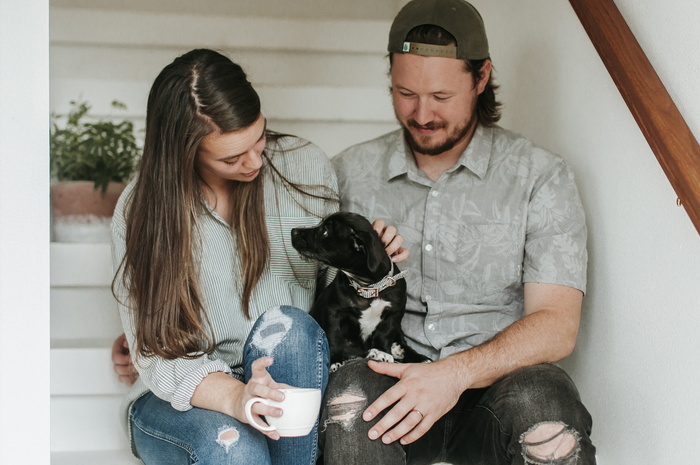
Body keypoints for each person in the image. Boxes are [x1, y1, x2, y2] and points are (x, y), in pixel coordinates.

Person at [321, 1, 595, 464]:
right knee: (348, 396)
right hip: (387, 381)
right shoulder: (349, 174)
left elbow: (557, 326)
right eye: (405, 92)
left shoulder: (539, 176)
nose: (422, 113)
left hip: (498, 390)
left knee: (546, 403)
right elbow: (320, 303)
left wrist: (452, 375)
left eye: (441, 97)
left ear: (481, 77)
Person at [110, 48, 406, 465]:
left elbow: (334, 304)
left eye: (259, 137)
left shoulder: (304, 167)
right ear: (185, 153)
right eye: (232, 157)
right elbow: (157, 355)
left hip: (293, 372)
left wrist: (367, 267)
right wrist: (236, 396)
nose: (255, 162)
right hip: (188, 396)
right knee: (235, 445)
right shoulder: (140, 210)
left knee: (291, 328)